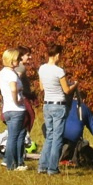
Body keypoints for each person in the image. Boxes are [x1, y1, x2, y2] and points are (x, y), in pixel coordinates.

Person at [37, 44, 76, 176]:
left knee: (49, 136)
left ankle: (42, 165)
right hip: (58, 104)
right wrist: (74, 85)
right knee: (57, 137)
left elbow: (41, 88)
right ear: (58, 55)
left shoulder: (41, 69)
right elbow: (66, 90)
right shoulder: (59, 71)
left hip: (47, 104)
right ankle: (52, 168)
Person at [0, 48, 27, 171]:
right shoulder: (11, 74)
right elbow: (13, 89)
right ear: (11, 60)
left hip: (7, 108)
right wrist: (17, 100)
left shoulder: (1, 73)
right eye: (17, 59)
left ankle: (17, 162)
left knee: (15, 135)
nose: (19, 60)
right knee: (13, 137)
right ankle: (11, 164)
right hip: (16, 109)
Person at [60, 88, 93, 162]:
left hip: (58, 136)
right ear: (84, 100)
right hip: (73, 141)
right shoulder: (84, 108)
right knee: (84, 145)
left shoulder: (64, 104)